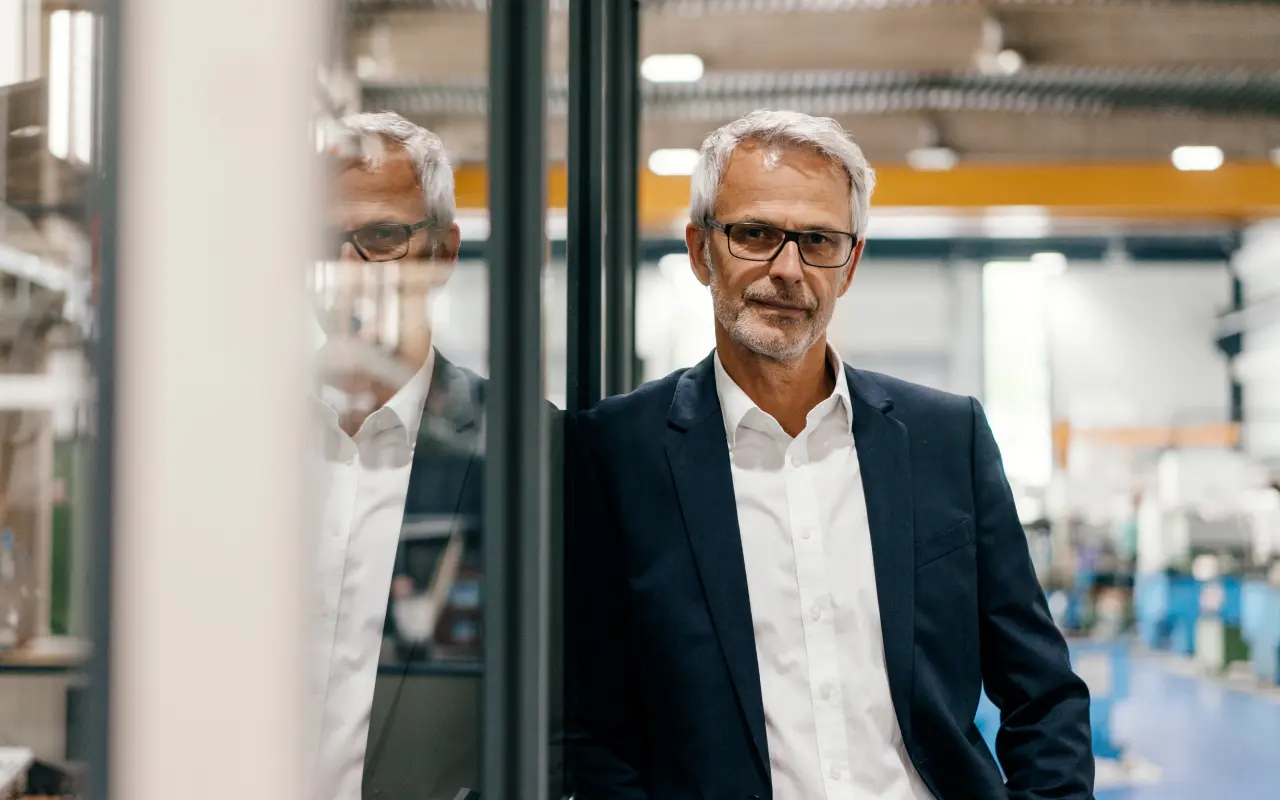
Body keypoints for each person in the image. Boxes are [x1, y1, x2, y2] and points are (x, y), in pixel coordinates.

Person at [565, 109, 1094, 799]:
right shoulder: (615, 454)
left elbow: (1044, 694)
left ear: (850, 265)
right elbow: (590, 729)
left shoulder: (946, 439)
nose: (789, 270)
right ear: (701, 250)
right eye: (756, 234)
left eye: (818, 241)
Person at [309, 111, 486, 800]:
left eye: (380, 236)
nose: (348, 269)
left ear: (441, 253)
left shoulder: (527, 452)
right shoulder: (236, 454)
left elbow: (567, 720)